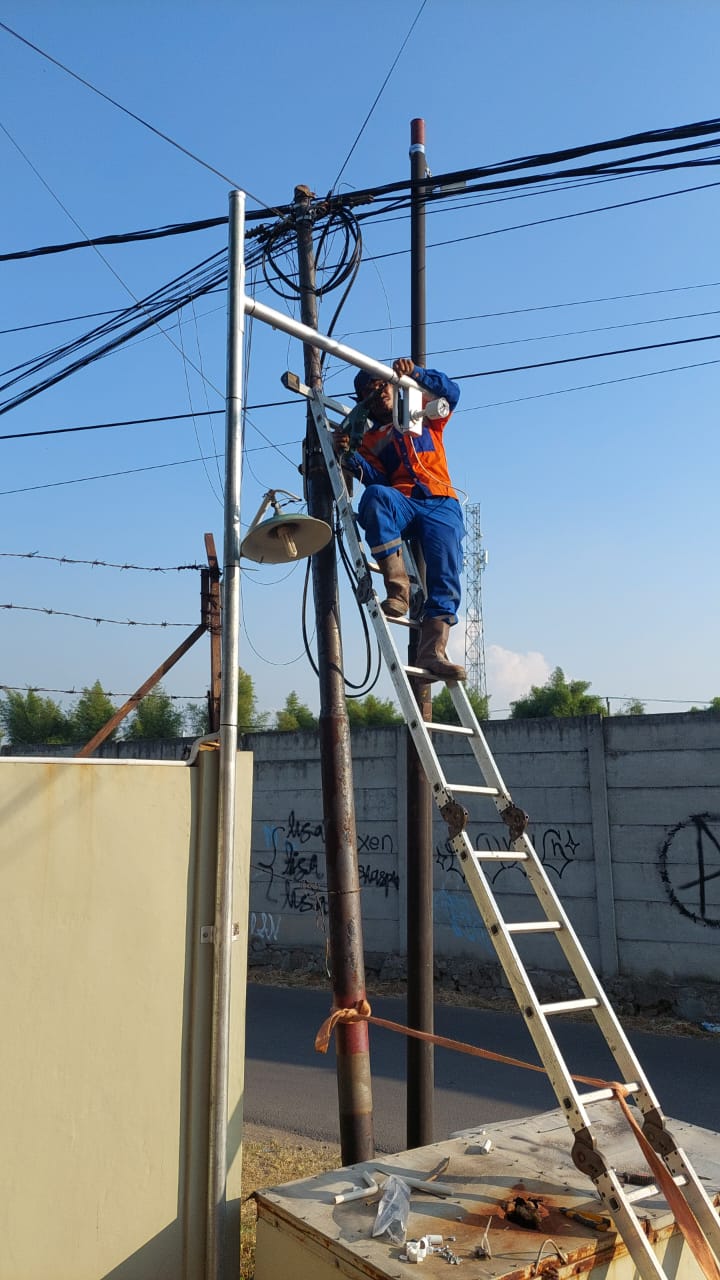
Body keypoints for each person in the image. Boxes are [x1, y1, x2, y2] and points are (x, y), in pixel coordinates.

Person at [335, 357, 466, 681]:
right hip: (403, 500)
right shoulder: (369, 439)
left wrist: (416, 374)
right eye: (370, 390)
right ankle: (398, 589)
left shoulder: (422, 411)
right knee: (377, 498)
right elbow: (375, 479)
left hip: (440, 500)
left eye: (382, 384)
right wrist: (349, 454)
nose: (378, 392)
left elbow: (452, 392)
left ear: (393, 385)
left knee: (445, 574)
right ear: (363, 400)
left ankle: (432, 652)